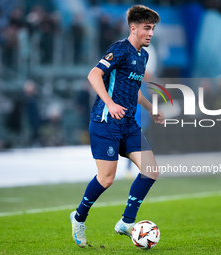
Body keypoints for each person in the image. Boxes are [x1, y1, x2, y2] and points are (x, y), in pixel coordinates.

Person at [70, 5, 164, 248]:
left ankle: (126, 222)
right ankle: (79, 217)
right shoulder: (120, 49)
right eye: (146, 28)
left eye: (152, 28)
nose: (150, 33)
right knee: (106, 179)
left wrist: (151, 109)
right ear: (133, 28)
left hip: (129, 124)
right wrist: (110, 104)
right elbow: (93, 75)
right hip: (106, 122)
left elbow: (133, 91)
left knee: (151, 170)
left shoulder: (143, 56)